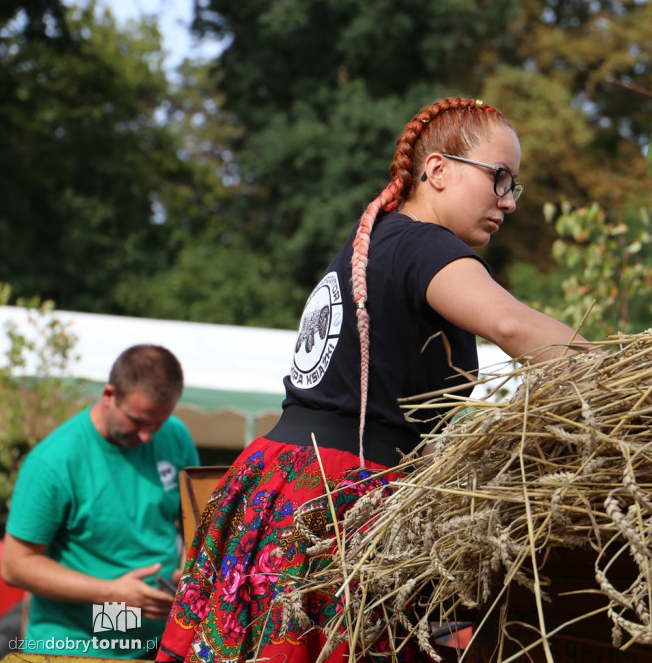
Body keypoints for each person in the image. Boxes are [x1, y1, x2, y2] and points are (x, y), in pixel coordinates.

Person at [155, 96, 589, 663]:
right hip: (334, 499)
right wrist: (631, 379)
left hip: (280, 482)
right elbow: (513, 325)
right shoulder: (422, 243)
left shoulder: (379, 239)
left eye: (515, 186)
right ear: (437, 170)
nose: (508, 201)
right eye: (499, 178)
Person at [1, 344, 199, 659]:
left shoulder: (175, 436)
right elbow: (14, 565)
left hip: (157, 644)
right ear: (109, 395)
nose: (148, 436)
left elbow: (195, 525)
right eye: (137, 421)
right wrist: (112, 594)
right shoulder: (53, 461)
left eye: (157, 423)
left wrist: (190, 569)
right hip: (74, 645)